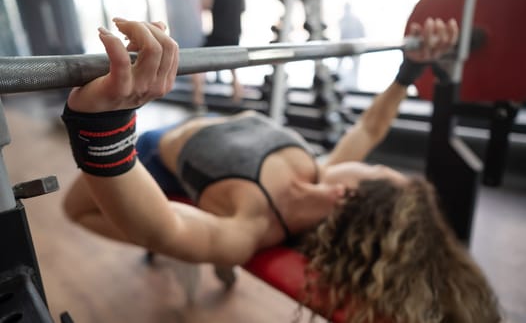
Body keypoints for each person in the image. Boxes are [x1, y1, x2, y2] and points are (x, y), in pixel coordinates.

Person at [61, 17, 501, 323]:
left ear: (345, 197)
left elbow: (165, 229)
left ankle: (192, 239)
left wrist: (103, 126)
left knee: (77, 209)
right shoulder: (322, 172)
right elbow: (371, 126)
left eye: (378, 172)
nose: (370, 163)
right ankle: (193, 241)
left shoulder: (249, 228)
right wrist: (412, 68)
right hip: (199, 134)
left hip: (154, 159)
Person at [191, 0, 245, 109]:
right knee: (234, 67)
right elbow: (243, 8)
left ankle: (198, 101)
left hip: (219, 32)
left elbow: (205, 4)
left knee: (195, 63)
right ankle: (237, 99)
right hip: (234, 32)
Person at [338, 2, 365, 89]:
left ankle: (352, 84)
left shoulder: (351, 20)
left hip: (352, 46)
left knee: (354, 66)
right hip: (345, 46)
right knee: (341, 65)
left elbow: (362, 32)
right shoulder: (343, 20)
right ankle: (340, 83)